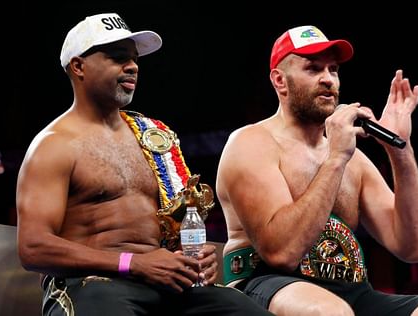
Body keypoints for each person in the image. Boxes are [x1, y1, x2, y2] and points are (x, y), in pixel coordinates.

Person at [16, 13, 273, 316]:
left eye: (135, 59)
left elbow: (172, 229)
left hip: (162, 285)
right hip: (90, 285)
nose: (133, 66)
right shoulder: (54, 145)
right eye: (117, 57)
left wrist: (193, 256)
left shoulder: (152, 137)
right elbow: (32, 247)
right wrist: (133, 263)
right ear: (78, 66)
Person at [216, 25, 418, 315]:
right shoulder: (251, 143)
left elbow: (416, 248)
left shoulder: (354, 160)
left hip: (353, 292)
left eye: (333, 70)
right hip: (266, 283)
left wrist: (400, 149)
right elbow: (281, 253)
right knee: (330, 312)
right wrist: (336, 158)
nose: (328, 79)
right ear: (280, 81)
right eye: (313, 69)